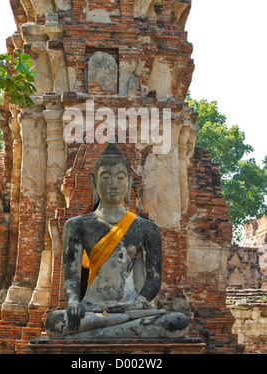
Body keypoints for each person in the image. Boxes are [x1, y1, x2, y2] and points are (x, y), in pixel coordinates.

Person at [45, 142, 189, 339]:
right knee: (55, 323)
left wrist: (140, 301)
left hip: (129, 309)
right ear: (93, 181)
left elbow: (153, 279)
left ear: (129, 181)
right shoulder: (77, 225)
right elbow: (71, 278)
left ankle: (96, 334)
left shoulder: (146, 228)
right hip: (93, 309)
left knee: (177, 322)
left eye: (120, 177)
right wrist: (72, 303)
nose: (113, 184)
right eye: (105, 177)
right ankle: (114, 330)